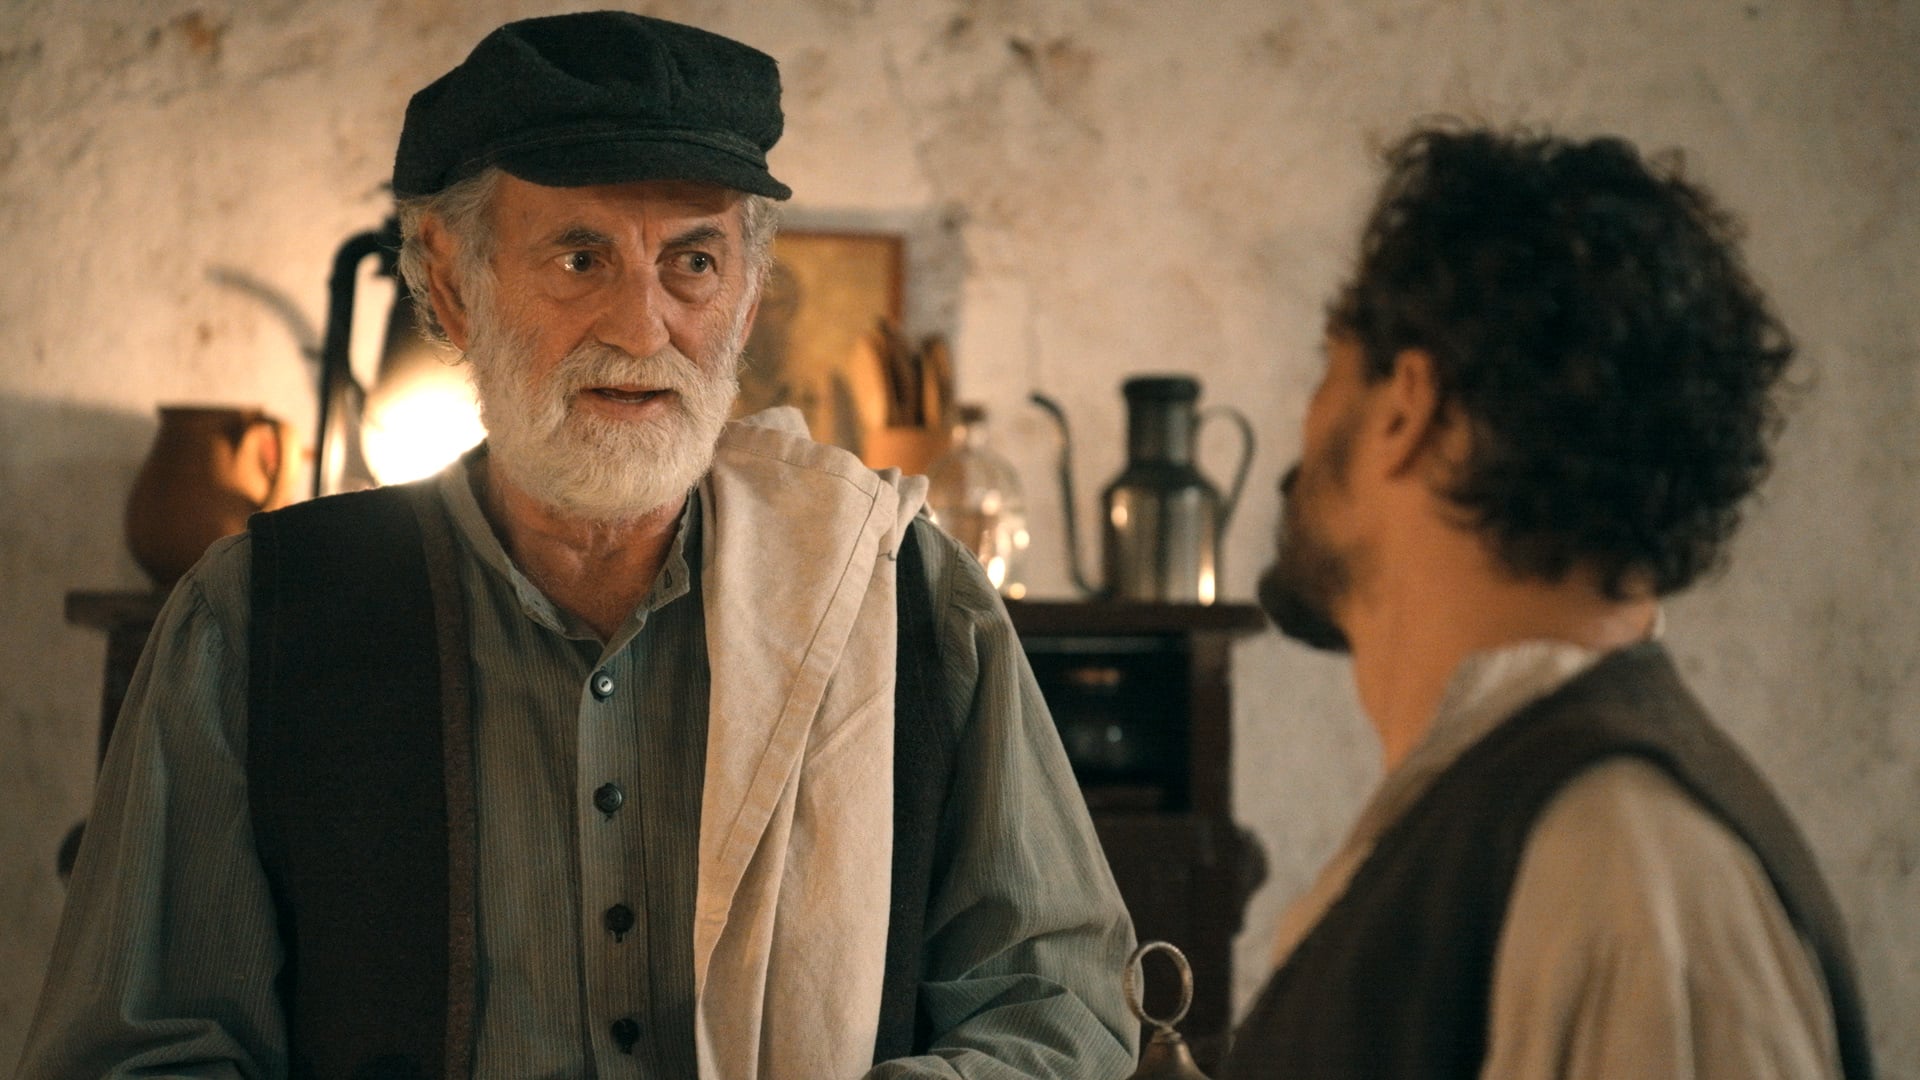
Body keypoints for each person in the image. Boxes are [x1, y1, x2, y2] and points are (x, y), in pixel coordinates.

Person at [16, 13, 1137, 1080]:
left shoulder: (900, 597)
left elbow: (1058, 1006)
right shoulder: (260, 616)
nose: (642, 329)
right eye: (579, 259)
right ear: (451, 284)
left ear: (748, 300)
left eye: (692, 263)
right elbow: (139, 1051)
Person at [1226, 127, 1874, 1079]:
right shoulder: (1506, 808)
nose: (1307, 425)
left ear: (1407, 406)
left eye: (1330, 368)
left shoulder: (1623, 865)